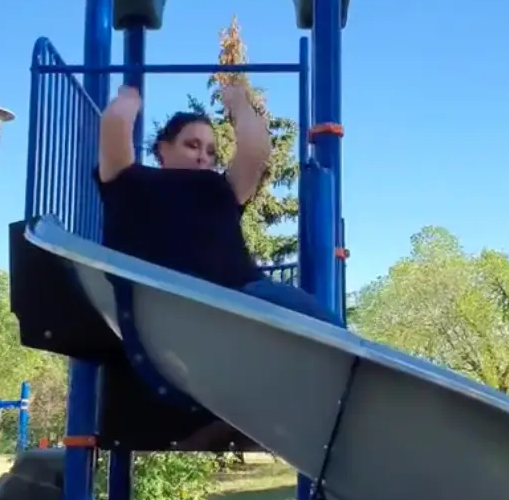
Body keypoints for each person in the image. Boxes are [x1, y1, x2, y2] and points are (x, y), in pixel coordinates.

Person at [94, 80, 340, 326]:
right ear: (163, 149)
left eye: (211, 151)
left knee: (323, 322)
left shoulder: (220, 188)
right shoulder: (133, 181)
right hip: (168, 295)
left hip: (239, 294)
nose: (203, 157)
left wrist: (240, 103)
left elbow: (256, 153)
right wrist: (128, 99)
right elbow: (115, 127)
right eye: (192, 145)